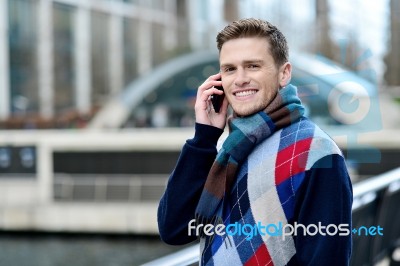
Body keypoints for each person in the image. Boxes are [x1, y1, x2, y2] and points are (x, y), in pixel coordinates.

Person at [158, 18, 352, 266]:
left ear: (284, 73)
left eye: (252, 66)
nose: (239, 79)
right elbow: (173, 229)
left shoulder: (318, 153)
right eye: (229, 69)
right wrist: (204, 137)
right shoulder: (230, 150)